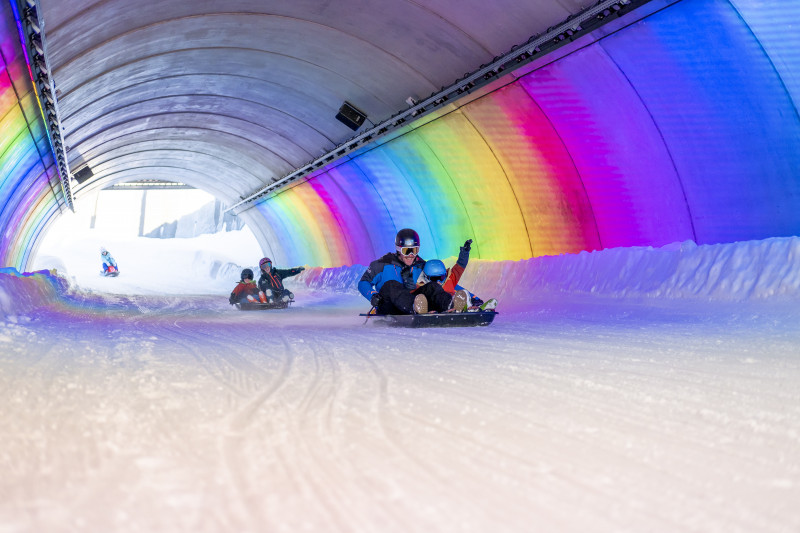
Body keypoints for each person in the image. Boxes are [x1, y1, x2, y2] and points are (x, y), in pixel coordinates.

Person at [358, 228, 470, 315]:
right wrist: (372, 296)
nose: (411, 255)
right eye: (407, 251)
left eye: (415, 250)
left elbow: (444, 282)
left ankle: (449, 304)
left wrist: (471, 297)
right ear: (398, 249)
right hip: (389, 305)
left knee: (432, 286)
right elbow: (363, 283)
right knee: (391, 285)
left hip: (417, 303)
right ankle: (414, 307)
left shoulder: (420, 265)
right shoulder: (382, 264)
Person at [419, 239, 498, 312]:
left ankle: (473, 307)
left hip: (453, 302)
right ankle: (460, 308)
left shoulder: (448, 280)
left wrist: (465, 252)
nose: (439, 282)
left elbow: (459, 266)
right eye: (434, 279)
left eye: (441, 277)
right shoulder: (422, 287)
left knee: (462, 293)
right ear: (426, 277)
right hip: (437, 306)